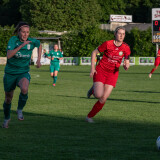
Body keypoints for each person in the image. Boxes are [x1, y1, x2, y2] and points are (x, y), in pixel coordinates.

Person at [86, 26, 131, 123]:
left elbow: (127, 61)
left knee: (103, 98)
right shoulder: (108, 44)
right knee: (98, 95)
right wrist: (92, 68)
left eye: (123, 34)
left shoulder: (126, 48)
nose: (121, 36)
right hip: (101, 70)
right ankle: (94, 89)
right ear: (115, 34)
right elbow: (94, 52)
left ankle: (89, 116)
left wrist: (126, 66)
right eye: (119, 33)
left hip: (113, 74)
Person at [2, 22, 42, 128]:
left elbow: (39, 44)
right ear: (19, 32)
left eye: (27, 32)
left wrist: (38, 59)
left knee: (24, 89)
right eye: (23, 32)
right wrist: (22, 46)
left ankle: (19, 110)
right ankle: (6, 118)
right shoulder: (13, 40)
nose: (25, 34)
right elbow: (9, 55)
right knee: (8, 99)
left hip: (23, 72)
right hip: (10, 73)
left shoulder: (32, 41)